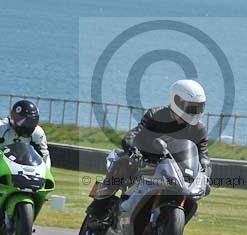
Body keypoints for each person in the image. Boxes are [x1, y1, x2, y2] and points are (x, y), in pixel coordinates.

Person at [86, 79, 210, 220]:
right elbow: (134, 134)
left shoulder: (199, 130)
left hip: (175, 172)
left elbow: (203, 156)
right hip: (144, 163)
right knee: (123, 163)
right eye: (191, 107)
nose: (195, 112)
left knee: (190, 197)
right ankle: (98, 205)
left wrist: (206, 174)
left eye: (198, 108)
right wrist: (133, 150)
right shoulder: (156, 115)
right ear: (177, 101)